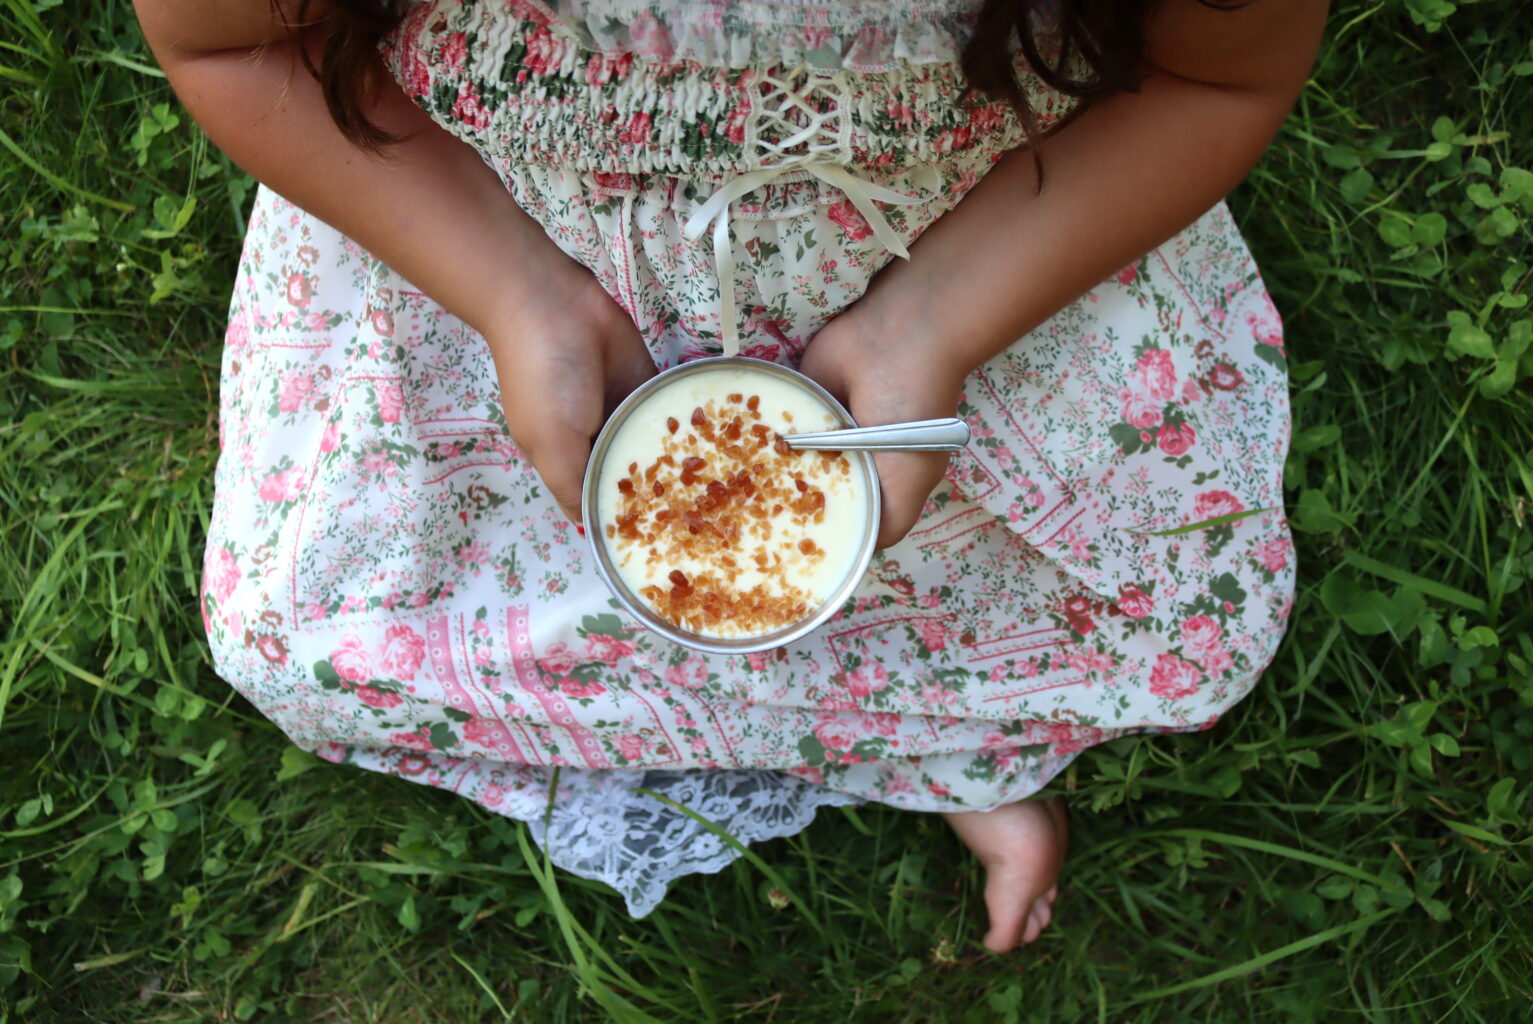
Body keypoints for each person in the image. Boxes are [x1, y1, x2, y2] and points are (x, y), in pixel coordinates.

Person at [134, 0, 1324, 952]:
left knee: (1102, 613)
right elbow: (232, 39)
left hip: (978, 266)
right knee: (315, 629)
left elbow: (1217, 73)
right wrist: (512, 293)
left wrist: (940, 324)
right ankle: (925, 743)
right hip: (500, 248)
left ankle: (947, 743)